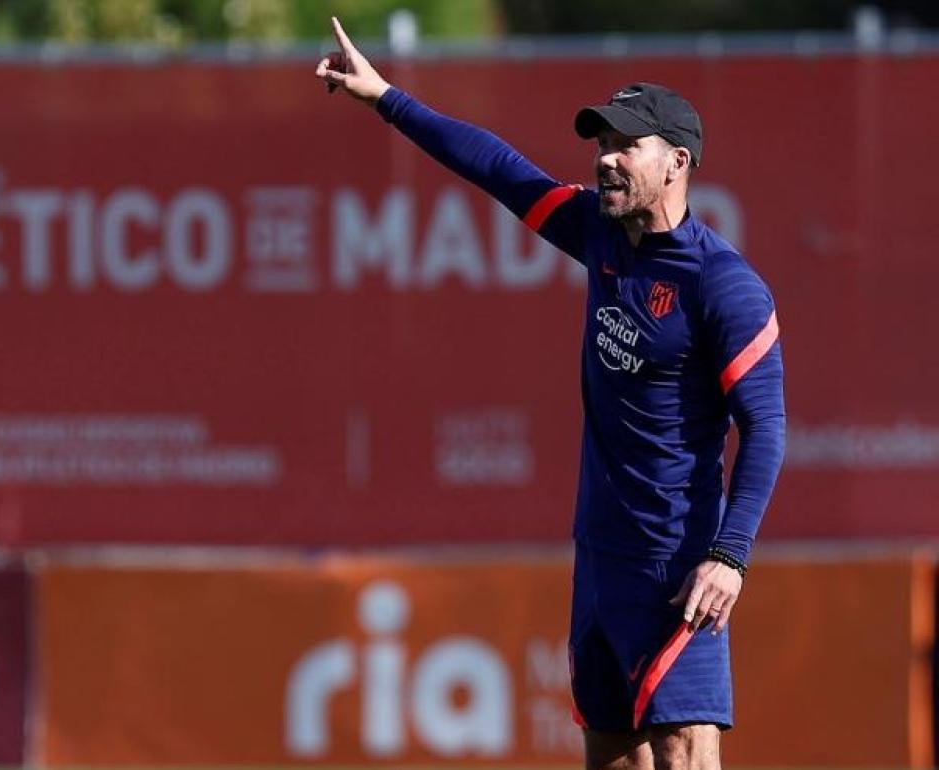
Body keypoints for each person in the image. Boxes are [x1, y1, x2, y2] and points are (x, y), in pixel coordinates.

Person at [316, 17, 786, 770]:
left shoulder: (723, 287)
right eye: (601, 144)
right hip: (600, 561)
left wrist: (729, 557)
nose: (605, 160)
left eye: (625, 146)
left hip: (677, 567)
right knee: (612, 758)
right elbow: (499, 168)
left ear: (677, 163)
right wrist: (384, 98)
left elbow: (765, 428)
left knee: (682, 758)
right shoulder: (599, 235)